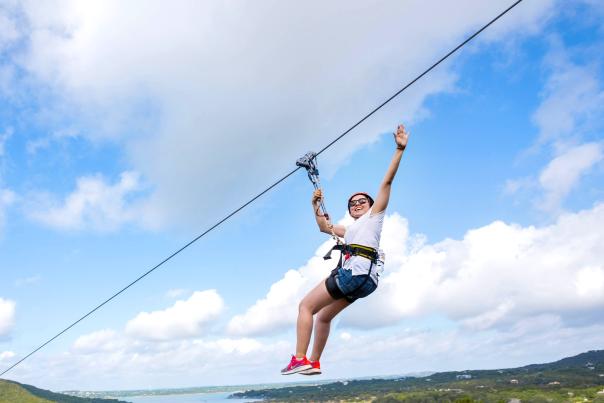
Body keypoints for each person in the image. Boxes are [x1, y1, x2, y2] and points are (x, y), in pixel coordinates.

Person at [281, 123, 410, 375]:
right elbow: (323, 227)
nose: (357, 204)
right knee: (324, 317)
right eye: (352, 203)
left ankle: (299, 358)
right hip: (366, 281)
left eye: (362, 201)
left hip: (355, 275)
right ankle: (314, 363)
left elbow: (386, 183)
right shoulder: (350, 231)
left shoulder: (374, 218)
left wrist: (399, 149)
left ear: (372, 205)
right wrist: (314, 204)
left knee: (305, 307)